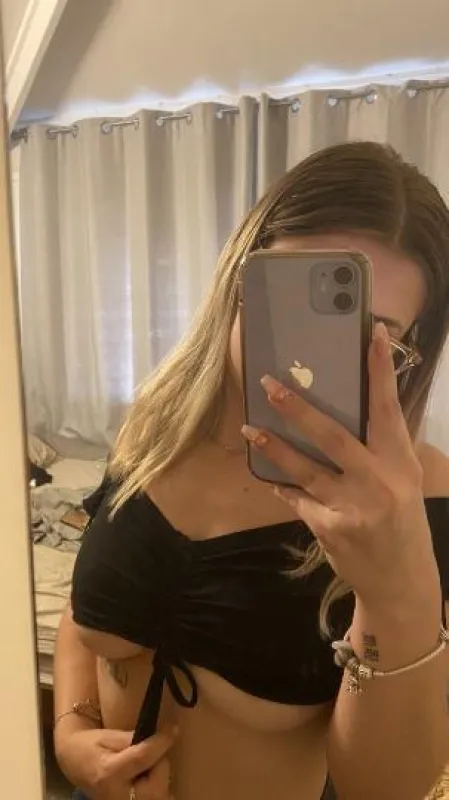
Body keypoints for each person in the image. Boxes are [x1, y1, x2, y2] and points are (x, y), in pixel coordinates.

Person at [54, 141, 449, 800]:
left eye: (370, 334)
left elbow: (389, 790)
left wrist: (396, 589)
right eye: (294, 308)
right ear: (239, 283)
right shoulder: (155, 427)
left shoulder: (418, 501)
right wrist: (70, 732)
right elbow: (81, 610)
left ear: (408, 352)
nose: (314, 356)